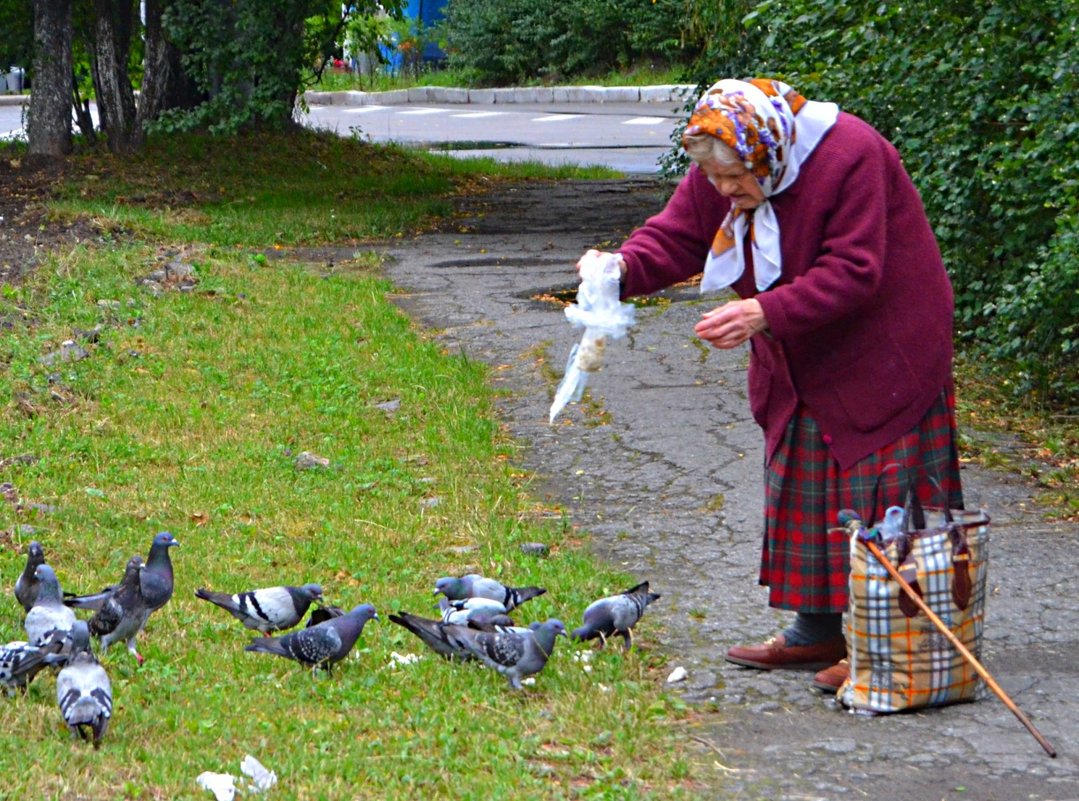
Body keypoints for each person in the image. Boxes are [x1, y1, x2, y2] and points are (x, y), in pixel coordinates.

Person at [578, 77, 964, 692]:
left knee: (879, 499)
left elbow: (855, 268)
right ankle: (818, 633)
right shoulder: (728, 151)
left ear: (770, 153)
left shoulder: (852, 155)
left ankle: (889, 644)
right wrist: (620, 268)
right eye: (714, 180)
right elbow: (679, 235)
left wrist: (765, 312)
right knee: (808, 476)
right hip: (802, 343)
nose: (726, 192)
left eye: (736, 180)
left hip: (887, 342)